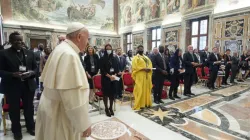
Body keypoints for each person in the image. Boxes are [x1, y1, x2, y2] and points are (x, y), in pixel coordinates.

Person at [35, 22, 92, 140]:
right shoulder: (69, 54)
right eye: (87, 39)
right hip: (61, 112)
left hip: (51, 107)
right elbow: (72, 97)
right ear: (79, 37)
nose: (88, 43)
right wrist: (83, 124)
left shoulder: (60, 49)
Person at [0, 32, 37, 140]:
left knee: (29, 108)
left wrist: (31, 73)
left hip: (28, 85)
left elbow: (35, 69)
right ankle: (16, 131)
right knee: (14, 110)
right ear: (11, 41)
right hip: (12, 86)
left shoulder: (30, 53)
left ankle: (31, 127)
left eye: (20, 40)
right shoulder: (3, 53)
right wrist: (12, 74)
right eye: (16, 40)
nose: (19, 42)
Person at [100, 44, 119, 117]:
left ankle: (110, 108)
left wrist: (115, 75)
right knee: (105, 94)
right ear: (105, 50)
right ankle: (106, 108)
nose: (109, 50)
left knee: (112, 94)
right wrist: (109, 76)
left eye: (110, 49)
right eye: (107, 49)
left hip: (113, 78)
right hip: (105, 79)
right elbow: (102, 70)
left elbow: (116, 69)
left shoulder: (114, 58)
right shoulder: (102, 59)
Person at [132, 45, 153, 110]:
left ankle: (146, 103)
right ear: (137, 49)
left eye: (142, 48)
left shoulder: (146, 57)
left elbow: (150, 64)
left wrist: (149, 69)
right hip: (140, 76)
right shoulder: (135, 57)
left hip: (147, 76)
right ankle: (140, 104)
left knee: (146, 89)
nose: (141, 50)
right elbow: (134, 67)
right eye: (140, 48)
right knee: (140, 89)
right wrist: (143, 69)